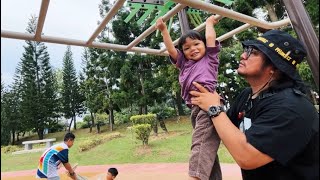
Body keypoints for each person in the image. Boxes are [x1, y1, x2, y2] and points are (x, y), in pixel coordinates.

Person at [190, 29, 319, 180]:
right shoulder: (246, 95)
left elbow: (247, 157)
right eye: (247, 50)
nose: (243, 55)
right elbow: (223, 129)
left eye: (254, 53)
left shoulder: (291, 107)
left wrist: (214, 108)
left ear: (275, 68)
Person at [156, 15, 222, 180]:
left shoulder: (210, 59)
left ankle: (196, 177)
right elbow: (171, 49)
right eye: (186, 48)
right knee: (207, 145)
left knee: (200, 143)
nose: (192, 49)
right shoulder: (184, 64)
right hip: (195, 108)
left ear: (204, 45)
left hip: (208, 105)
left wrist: (208, 23)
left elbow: (210, 38)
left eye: (196, 44)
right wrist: (164, 30)